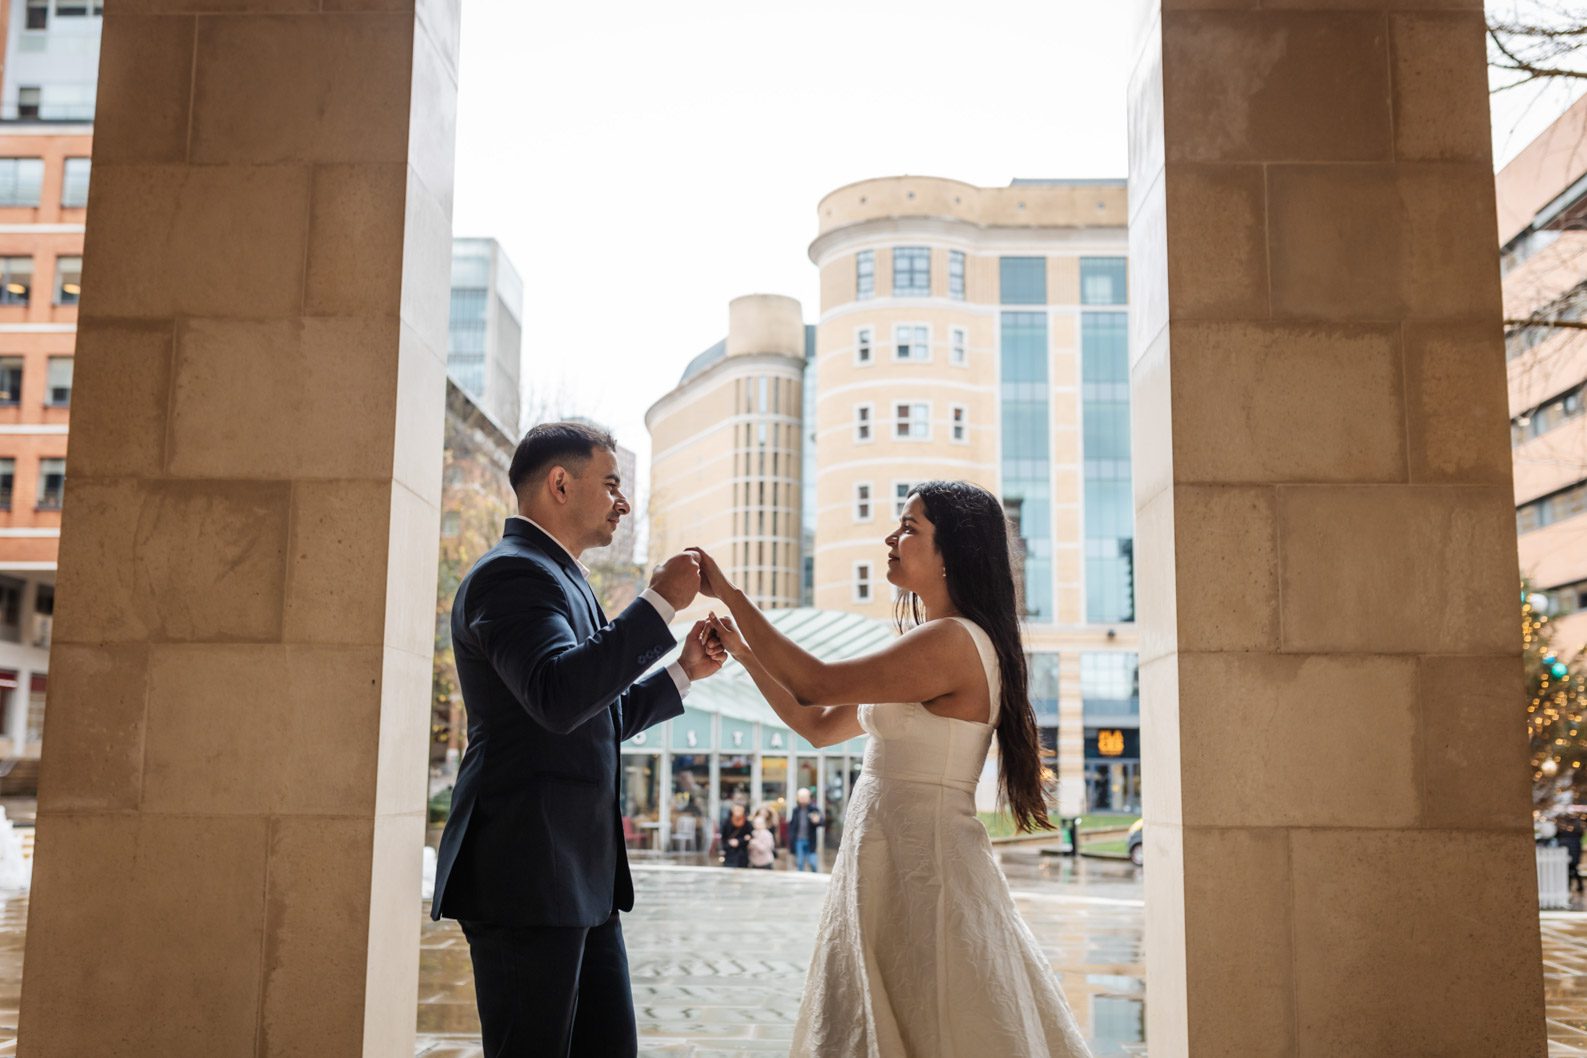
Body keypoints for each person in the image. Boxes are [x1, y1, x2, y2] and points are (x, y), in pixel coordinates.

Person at [693, 480, 1093, 1058]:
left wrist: (731, 593)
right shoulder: (932, 643)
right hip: (890, 869)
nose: (892, 538)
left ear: (953, 552)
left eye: (910, 528)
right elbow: (819, 723)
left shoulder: (954, 642)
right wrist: (744, 652)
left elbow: (818, 681)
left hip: (925, 875)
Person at [429, 421, 728, 1058]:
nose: (623, 501)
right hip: (524, 875)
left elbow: (600, 715)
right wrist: (656, 604)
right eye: (612, 484)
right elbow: (559, 696)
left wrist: (684, 671)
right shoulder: (511, 576)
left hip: (577, 882)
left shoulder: (564, 580)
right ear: (560, 484)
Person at [789, 787, 823, 872]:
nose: (803, 799)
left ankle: (815, 878)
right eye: (801, 797)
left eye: (805, 797)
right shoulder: (795, 810)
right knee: (800, 863)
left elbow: (822, 822)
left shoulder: (814, 809)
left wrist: (817, 821)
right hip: (799, 840)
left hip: (810, 840)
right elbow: (792, 825)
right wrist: (791, 840)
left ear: (809, 798)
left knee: (813, 863)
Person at [720, 801, 753, 868]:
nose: (738, 812)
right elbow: (723, 837)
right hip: (730, 852)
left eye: (740, 810)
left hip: (742, 853)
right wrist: (729, 843)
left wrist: (739, 841)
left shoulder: (747, 823)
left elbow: (749, 837)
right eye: (736, 810)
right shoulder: (726, 822)